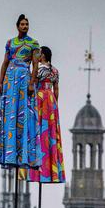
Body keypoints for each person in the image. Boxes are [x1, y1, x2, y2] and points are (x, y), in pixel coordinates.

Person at [0, 14, 39, 168]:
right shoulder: (10, 43)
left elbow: (35, 65)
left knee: (23, 115)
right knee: (10, 115)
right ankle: (9, 151)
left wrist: (32, 83)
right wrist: (0, 82)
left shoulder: (33, 44)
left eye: (27, 24)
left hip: (23, 79)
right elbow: (5, 62)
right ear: (17, 26)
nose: (25, 26)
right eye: (22, 24)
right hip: (10, 80)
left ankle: (24, 152)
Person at [27, 46, 64, 183]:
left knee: (38, 129)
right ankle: (51, 167)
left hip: (40, 97)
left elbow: (33, 83)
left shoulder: (39, 69)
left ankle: (38, 165)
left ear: (42, 55)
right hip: (51, 100)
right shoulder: (55, 70)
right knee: (49, 131)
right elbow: (57, 89)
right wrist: (55, 104)